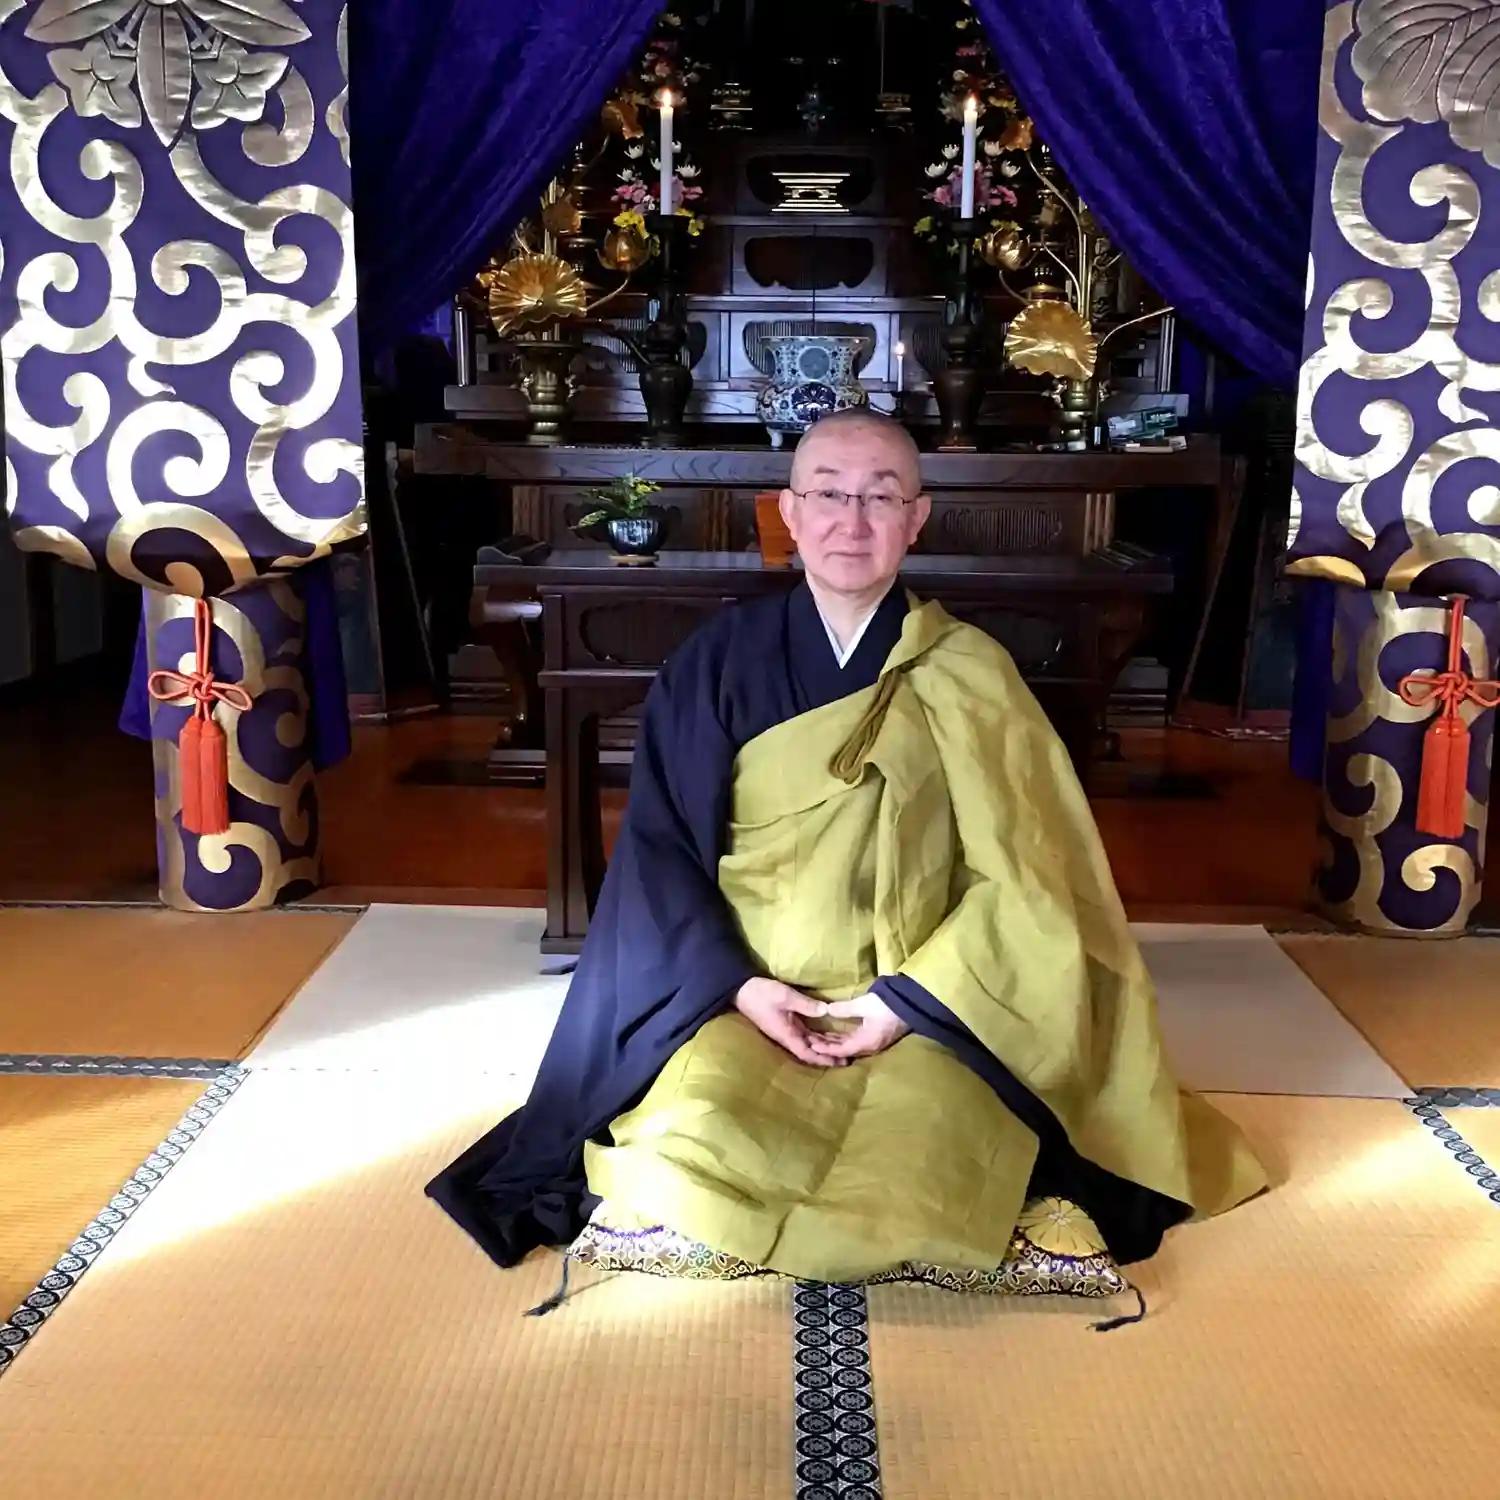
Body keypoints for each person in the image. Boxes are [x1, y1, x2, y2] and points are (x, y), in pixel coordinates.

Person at [428, 409, 1268, 1290]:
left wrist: (902, 1005)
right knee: (702, 1125)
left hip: (929, 1002)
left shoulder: (969, 672)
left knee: (930, 1148)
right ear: (789, 512)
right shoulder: (715, 664)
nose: (852, 521)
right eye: (828, 495)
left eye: (880, 497)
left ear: (917, 518)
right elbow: (659, 857)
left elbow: (1027, 880)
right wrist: (742, 988)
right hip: (742, 994)